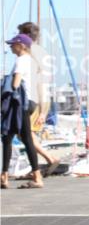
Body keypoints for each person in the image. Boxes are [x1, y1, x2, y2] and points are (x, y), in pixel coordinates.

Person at [2, 34, 43, 189]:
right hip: (30, 102)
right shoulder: (32, 62)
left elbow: (15, 83)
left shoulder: (20, 60)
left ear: (22, 46)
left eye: (13, 44)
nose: (11, 46)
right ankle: (4, 175)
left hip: (20, 103)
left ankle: (36, 177)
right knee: (13, 137)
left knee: (13, 136)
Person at [16, 23, 58, 172]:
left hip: (34, 98)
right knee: (26, 134)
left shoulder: (31, 52)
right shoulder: (41, 51)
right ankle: (43, 163)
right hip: (39, 98)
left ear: (25, 35)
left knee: (24, 134)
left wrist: (43, 111)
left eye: (19, 34)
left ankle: (48, 160)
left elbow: (41, 80)